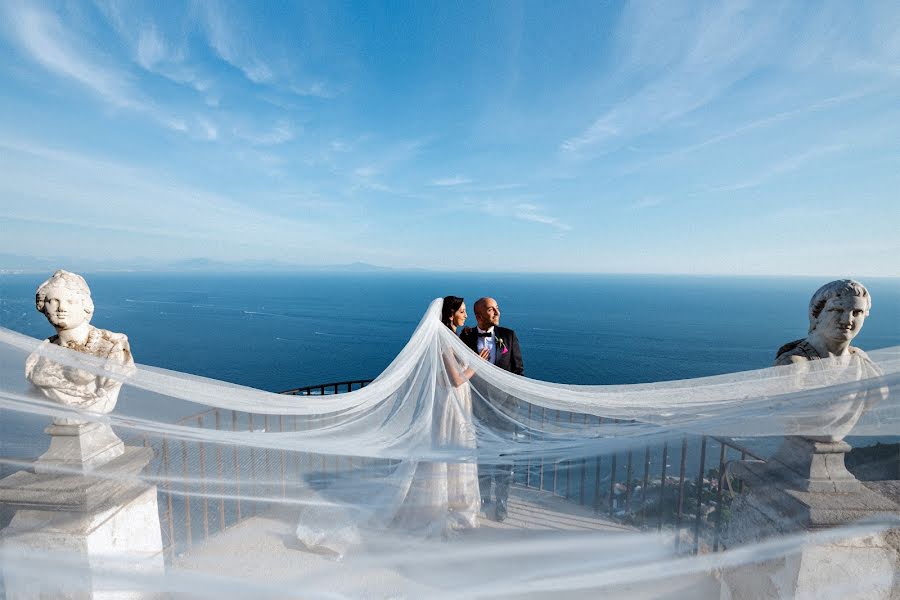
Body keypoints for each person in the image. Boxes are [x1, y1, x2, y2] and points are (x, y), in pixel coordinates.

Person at [459, 297, 524, 522]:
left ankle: (502, 501)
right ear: (479, 316)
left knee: (505, 460)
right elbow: (460, 370)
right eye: (491, 309)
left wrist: (509, 401)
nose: (497, 312)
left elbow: (518, 371)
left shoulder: (509, 335)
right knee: (483, 458)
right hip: (478, 410)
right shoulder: (466, 337)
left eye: (497, 308)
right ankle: (484, 499)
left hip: (506, 411)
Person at [774, 279, 872, 366]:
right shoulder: (793, 364)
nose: (847, 320)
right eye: (838, 310)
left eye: (857, 312)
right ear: (816, 315)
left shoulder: (862, 360)